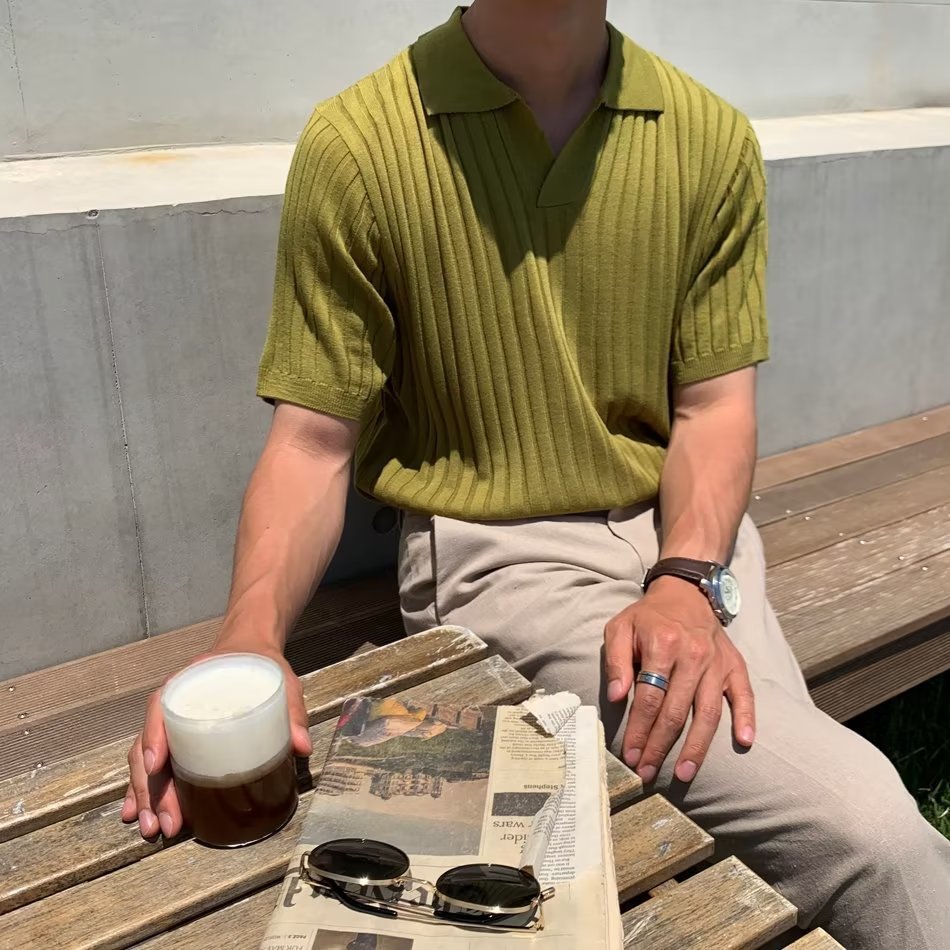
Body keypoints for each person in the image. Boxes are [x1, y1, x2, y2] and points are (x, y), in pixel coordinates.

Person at [123, 2, 950, 945]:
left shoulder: (708, 134)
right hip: (506, 558)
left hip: (692, 536)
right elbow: (313, 441)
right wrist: (249, 638)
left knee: (802, 800)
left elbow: (713, 408)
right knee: (869, 828)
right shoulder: (361, 144)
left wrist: (684, 579)